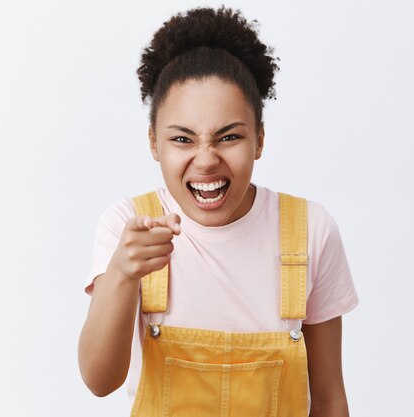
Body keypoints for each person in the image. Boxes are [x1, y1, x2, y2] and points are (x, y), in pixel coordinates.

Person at [78, 6, 359, 416]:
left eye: (228, 136)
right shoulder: (128, 227)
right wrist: (122, 271)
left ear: (259, 140)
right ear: (154, 143)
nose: (206, 160)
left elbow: (330, 400)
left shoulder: (311, 230)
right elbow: (98, 380)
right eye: (182, 139)